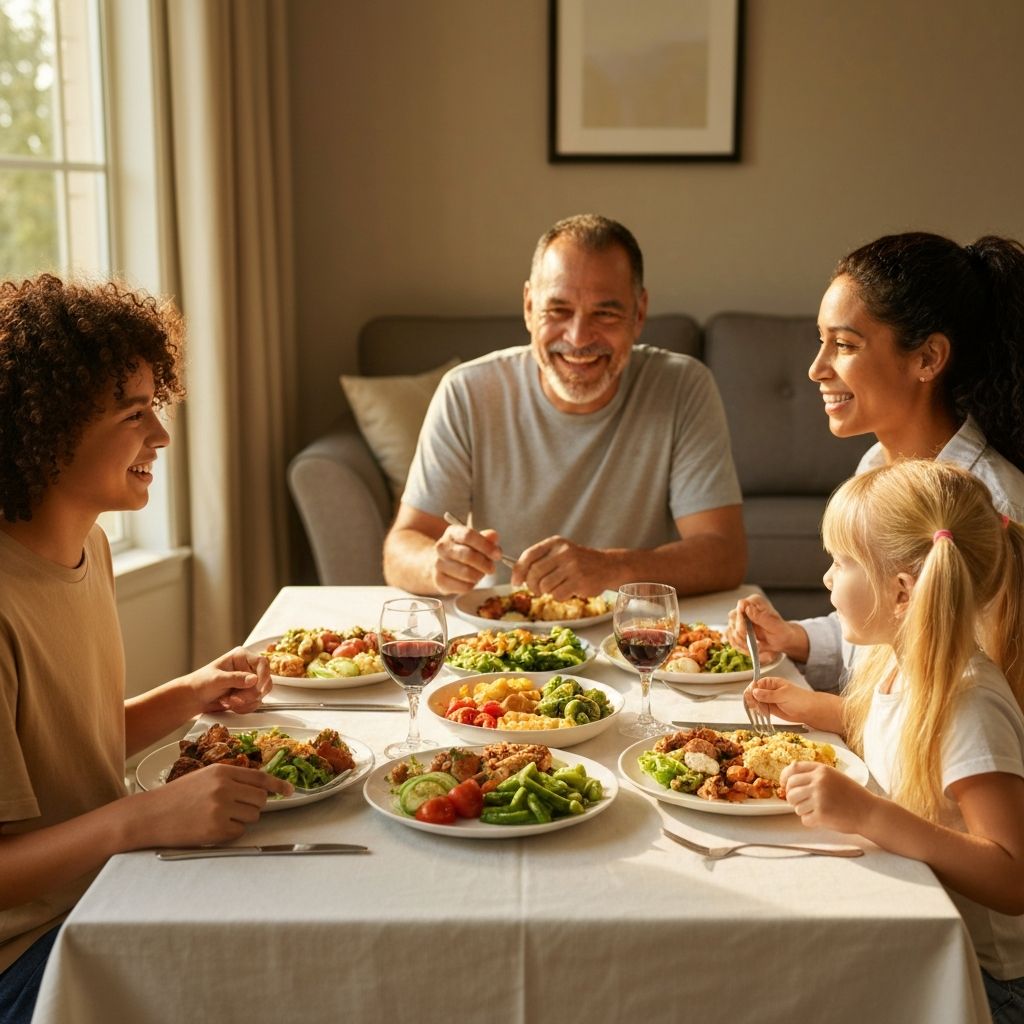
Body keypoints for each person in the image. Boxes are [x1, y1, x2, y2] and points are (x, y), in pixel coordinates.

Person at [0, 275, 291, 1022]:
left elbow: (63, 758)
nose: (160, 437)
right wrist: (147, 816)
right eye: (135, 415)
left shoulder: (86, 546)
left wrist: (188, 693)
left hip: (106, 890)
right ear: (49, 426)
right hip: (33, 958)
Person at [744, 460, 1024, 1023]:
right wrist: (818, 710)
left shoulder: (969, 704)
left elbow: (1013, 876)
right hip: (924, 916)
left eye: (842, 562)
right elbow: (900, 734)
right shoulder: (898, 668)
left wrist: (870, 815)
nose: (826, 578)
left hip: (982, 977)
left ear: (901, 592)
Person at [383, 214, 747, 599]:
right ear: (528, 307)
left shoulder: (684, 386)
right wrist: (435, 564)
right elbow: (402, 546)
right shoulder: (467, 392)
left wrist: (612, 567)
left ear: (639, 314)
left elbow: (724, 554)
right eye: (558, 310)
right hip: (503, 632)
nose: (577, 337)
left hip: (633, 631)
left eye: (605, 313)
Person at [727, 231, 1024, 690]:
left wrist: (834, 715)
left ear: (928, 357)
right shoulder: (875, 464)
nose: (816, 368)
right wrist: (795, 638)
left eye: (844, 345)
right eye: (821, 341)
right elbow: (886, 633)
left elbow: (976, 706)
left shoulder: (993, 507)